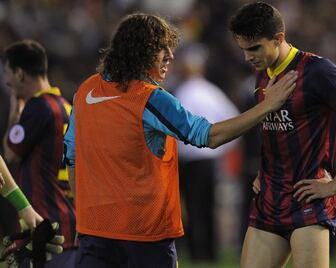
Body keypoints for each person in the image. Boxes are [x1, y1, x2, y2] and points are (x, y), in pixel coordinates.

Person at [63, 12, 297, 268]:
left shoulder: (85, 91)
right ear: (141, 52)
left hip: (94, 233)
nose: (171, 56)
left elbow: (71, 156)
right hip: (145, 237)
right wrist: (267, 105)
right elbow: (208, 135)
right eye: (162, 48)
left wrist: (82, 218)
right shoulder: (149, 98)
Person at [229, 2, 336, 268]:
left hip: (308, 201)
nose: (248, 57)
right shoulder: (262, 76)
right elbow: (275, 130)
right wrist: (262, 171)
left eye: (254, 48)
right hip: (270, 198)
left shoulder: (319, 71)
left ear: (278, 38)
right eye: (243, 50)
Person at [2, 40, 77, 267]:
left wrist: (15, 114)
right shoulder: (66, 107)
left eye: (9, 74)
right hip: (70, 222)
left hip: (43, 226)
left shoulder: (38, 107)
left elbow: (9, 154)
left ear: (20, 73)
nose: (7, 82)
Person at [173, 43, 240, 262]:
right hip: (209, 160)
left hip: (189, 162)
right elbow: (234, 119)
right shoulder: (212, 91)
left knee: (192, 208)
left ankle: (196, 252)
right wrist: (220, 149)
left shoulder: (181, 92)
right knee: (209, 207)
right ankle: (211, 253)